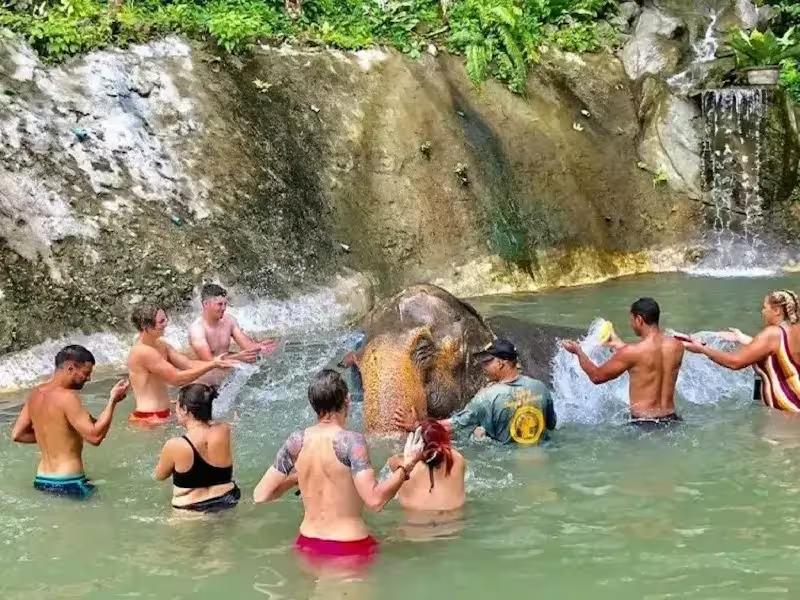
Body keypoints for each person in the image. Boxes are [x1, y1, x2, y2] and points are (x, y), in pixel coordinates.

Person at [253, 369, 424, 569]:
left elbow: (260, 495)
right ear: (347, 400)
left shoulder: (296, 441)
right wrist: (407, 466)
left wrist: (295, 479)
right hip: (348, 548)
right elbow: (375, 501)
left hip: (306, 544)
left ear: (313, 404)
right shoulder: (352, 442)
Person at [11, 345, 129, 498]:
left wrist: (57, 436)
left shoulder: (36, 393)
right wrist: (112, 401)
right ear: (70, 368)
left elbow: (17, 434)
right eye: (86, 373)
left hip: (41, 480)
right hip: (69, 482)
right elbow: (95, 437)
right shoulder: (68, 398)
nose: (88, 378)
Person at [394, 339, 556, 445]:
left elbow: (451, 427)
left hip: (510, 463)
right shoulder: (540, 388)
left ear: (501, 363)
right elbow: (551, 425)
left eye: (487, 362)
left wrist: (417, 425)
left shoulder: (486, 398)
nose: (483, 367)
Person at [561, 297, 684, 426]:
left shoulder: (632, 352)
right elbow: (646, 360)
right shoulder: (677, 346)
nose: (631, 325)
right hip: (672, 420)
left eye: (632, 320)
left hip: (644, 425)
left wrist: (578, 352)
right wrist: (617, 344)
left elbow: (596, 376)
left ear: (639, 320)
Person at [683, 289, 800, 412]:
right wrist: (743, 338)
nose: (762, 312)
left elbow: (735, 362)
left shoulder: (773, 334)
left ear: (777, 311)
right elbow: (779, 353)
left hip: (788, 409)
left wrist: (702, 349)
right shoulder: (794, 330)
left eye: (765, 307)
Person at [127, 304, 236, 425]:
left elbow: (188, 364)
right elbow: (177, 379)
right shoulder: (143, 352)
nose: (166, 323)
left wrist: (218, 362)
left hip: (163, 415)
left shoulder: (160, 344)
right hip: (148, 419)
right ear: (145, 326)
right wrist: (212, 365)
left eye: (166, 318)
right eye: (161, 321)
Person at [154, 384, 240, 511]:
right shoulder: (224, 430)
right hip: (228, 500)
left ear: (184, 409)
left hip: (191, 509)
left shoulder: (175, 445)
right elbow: (211, 422)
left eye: (177, 405)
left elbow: (159, 476)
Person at [188, 284, 277, 386]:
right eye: (219, 304)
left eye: (225, 304)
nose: (224, 308)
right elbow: (209, 362)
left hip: (226, 371)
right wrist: (238, 357)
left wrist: (261, 347)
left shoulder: (229, 320)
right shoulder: (197, 329)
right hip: (205, 379)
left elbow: (247, 346)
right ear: (205, 304)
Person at [388, 418, 465, 512]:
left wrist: (416, 432)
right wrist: (421, 428)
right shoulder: (458, 460)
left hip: (413, 525)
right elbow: (441, 448)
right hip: (454, 524)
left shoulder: (397, 463)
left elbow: (396, 459)